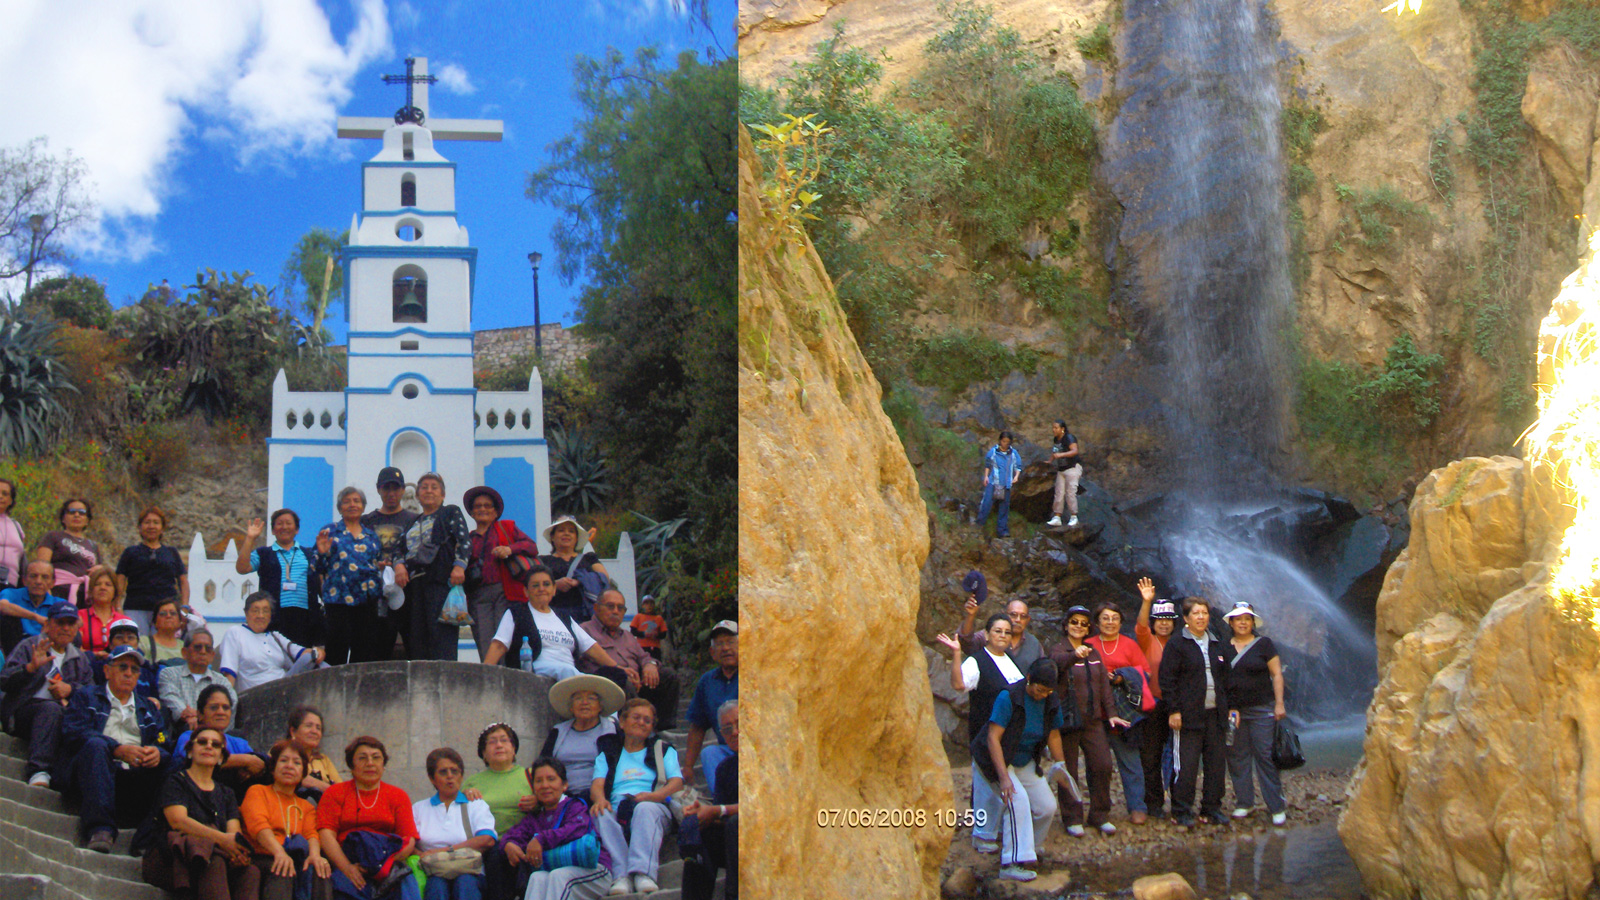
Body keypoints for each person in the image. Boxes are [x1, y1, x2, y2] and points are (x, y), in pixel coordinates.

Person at [59, 643, 169, 852]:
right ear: (107, 670)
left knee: (177, 762)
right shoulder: (87, 696)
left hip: (134, 778)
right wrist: (116, 749)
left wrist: (158, 753)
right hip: (93, 775)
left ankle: (146, 837)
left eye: (134, 669)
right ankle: (100, 829)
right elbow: (73, 732)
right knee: (95, 744)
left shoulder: (149, 708)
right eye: (123, 667)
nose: (129, 673)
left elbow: (163, 739)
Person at [141, 724, 258, 899]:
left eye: (216, 744)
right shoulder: (175, 782)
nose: (209, 746)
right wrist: (222, 840)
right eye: (202, 742)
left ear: (221, 756)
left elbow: (233, 833)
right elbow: (178, 821)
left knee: (250, 872)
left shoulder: (227, 793)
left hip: (212, 857)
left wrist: (236, 851)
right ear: (190, 751)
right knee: (213, 860)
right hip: (170, 859)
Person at [937, 613, 1020, 854]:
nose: (1002, 636)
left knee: (1002, 782)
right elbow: (959, 685)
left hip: (1009, 733)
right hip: (985, 731)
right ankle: (982, 837)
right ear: (987, 634)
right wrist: (955, 654)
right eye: (998, 631)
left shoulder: (1010, 659)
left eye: (1007, 632)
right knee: (985, 784)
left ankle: (1001, 829)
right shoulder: (977, 660)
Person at [977, 658, 1065, 883]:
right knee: (1017, 801)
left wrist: (1061, 766)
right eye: (1039, 689)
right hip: (997, 757)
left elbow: (1054, 734)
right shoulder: (1009, 697)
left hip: (1024, 759)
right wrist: (1004, 778)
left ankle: (1029, 849)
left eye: (1047, 691)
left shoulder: (1050, 700)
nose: (1043, 695)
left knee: (1047, 806)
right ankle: (1011, 861)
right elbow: (993, 738)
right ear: (1028, 679)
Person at [590, 699, 683, 896]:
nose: (642, 722)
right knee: (600, 813)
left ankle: (643, 873)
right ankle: (621, 875)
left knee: (644, 808)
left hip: (654, 806)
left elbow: (676, 781)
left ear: (651, 728)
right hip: (618, 807)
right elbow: (597, 784)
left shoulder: (663, 748)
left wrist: (655, 796)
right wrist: (600, 800)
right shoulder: (608, 752)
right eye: (636, 717)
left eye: (647, 721)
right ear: (622, 722)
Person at [1050, 605, 1128, 837]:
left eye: (1084, 624)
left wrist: (1112, 713)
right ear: (1066, 625)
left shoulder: (1093, 652)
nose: (1078, 627)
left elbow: (1104, 684)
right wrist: (1074, 655)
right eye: (1074, 622)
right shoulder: (1058, 649)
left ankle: (1099, 814)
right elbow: (1054, 665)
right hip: (1068, 720)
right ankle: (1072, 817)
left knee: (1102, 765)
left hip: (1093, 720)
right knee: (1070, 770)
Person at [1160, 596, 1237, 827]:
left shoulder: (1217, 643)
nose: (1201, 617)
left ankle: (1211, 808)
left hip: (1216, 714)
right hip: (1188, 715)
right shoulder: (1177, 645)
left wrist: (1231, 708)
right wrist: (1174, 710)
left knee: (1215, 764)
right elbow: (1167, 680)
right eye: (1196, 613)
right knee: (1186, 765)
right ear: (1186, 618)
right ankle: (1181, 810)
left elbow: (1226, 679)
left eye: (1204, 613)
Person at [0, 600, 92, 788]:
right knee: (50, 708)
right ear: (48, 624)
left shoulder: (80, 659)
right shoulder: (30, 646)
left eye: (70, 623)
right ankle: (38, 770)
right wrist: (29, 668)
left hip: (61, 718)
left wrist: (70, 689)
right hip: (22, 713)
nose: (65, 628)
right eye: (60, 623)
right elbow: (4, 680)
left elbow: (92, 693)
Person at [317, 736, 421, 900]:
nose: (370, 763)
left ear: (383, 765)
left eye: (376, 757)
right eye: (362, 758)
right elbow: (326, 835)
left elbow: (409, 839)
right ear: (351, 766)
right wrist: (347, 868)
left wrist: (383, 866)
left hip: (387, 861)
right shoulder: (334, 793)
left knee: (404, 882)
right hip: (347, 861)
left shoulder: (398, 796)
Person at [501, 757, 611, 900]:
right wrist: (509, 844)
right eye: (539, 781)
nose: (545, 785)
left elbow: (576, 829)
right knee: (537, 877)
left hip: (595, 871)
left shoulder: (575, 806)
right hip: (559, 872)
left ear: (564, 785)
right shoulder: (535, 817)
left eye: (551, 779)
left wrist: (541, 839)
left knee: (559, 876)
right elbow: (514, 835)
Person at [481, 565, 618, 679]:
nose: (541, 589)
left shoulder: (564, 617)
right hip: (535, 669)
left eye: (546, 584)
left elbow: (590, 646)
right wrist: (484, 674)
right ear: (526, 591)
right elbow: (499, 645)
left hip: (569, 671)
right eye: (535, 585)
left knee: (616, 677)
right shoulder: (516, 613)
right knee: (567, 671)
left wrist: (616, 668)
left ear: (553, 590)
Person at [392, 472, 471, 661]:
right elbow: (397, 549)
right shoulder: (412, 521)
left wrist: (459, 566)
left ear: (442, 495)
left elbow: (464, 540)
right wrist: (399, 566)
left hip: (441, 581)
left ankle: (445, 679)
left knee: (441, 635)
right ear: (417, 495)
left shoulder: (450, 512)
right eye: (424, 487)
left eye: (434, 487)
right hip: (415, 585)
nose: (429, 491)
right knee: (418, 635)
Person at [242, 739, 333, 900]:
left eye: (296, 763)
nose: (289, 766)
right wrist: (279, 852)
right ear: (273, 768)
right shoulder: (258, 792)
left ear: (303, 772)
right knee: (283, 867)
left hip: (292, 856)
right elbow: (259, 826)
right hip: (262, 855)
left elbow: (311, 834)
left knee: (320, 869)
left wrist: (314, 855)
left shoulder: (305, 806)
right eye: (283, 761)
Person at [1223, 601, 1288, 825]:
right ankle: (1244, 802)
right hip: (1234, 711)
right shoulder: (1223, 647)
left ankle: (1276, 806)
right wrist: (1229, 707)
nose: (1243, 622)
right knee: (1237, 757)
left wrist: (1279, 703)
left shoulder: (1264, 644)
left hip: (1262, 708)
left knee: (1265, 756)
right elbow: (1221, 681)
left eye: (1247, 619)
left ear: (1253, 622)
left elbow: (1276, 674)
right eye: (1238, 619)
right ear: (1231, 622)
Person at [1087, 602, 1153, 825]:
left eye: (1114, 618)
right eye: (1105, 618)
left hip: (1124, 712)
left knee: (1130, 761)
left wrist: (1122, 676)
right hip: (1095, 714)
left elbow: (1145, 672)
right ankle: (1099, 810)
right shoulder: (1088, 644)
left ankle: (1137, 806)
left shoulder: (1129, 645)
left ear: (1121, 622)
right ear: (1097, 622)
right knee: (1098, 764)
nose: (1110, 622)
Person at [579, 590, 678, 728]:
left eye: (620, 608)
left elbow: (644, 657)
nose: (615, 611)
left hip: (637, 683)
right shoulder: (584, 631)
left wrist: (650, 664)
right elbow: (584, 666)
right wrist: (622, 672)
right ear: (596, 608)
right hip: (607, 686)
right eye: (610, 606)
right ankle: (633, 727)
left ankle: (660, 728)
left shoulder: (627, 636)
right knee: (621, 678)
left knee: (668, 676)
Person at [461, 486, 537, 661]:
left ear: (495, 512)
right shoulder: (467, 538)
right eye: (478, 506)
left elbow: (531, 546)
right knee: (484, 639)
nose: (482, 509)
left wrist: (509, 549)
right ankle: (490, 676)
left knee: (505, 637)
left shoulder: (506, 528)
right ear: (472, 512)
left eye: (487, 506)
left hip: (504, 591)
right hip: (477, 595)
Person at [412, 747, 497, 900]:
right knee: (436, 886)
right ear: (432, 778)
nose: (450, 777)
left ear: (461, 776)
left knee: (465, 883)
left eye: (455, 771)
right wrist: (422, 856)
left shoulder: (475, 805)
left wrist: (444, 851)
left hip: (469, 872)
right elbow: (408, 842)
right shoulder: (419, 808)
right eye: (443, 772)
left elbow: (487, 839)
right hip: (433, 872)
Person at [316, 487, 388, 665]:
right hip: (338, 601)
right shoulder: (329, 531)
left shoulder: (371, 536)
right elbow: (316, 567)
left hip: (366, 601)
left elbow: (376, 563)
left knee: (364, 651)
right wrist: (323, 553)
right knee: (336, 650)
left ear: (363, 507)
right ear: (340, 508)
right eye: (347, 501)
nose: (352, 505)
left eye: (356, 501)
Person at [237, 508, 325, 649]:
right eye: (279, 523)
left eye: (288, 523)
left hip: (306, 618)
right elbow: (242, 568)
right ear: (272, 530)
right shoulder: (263, 553)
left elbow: (320, 582)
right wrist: (250, 539)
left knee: (304, 660)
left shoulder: (309, 554)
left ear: (296, 529)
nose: (284, 527)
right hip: (275, 617)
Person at [461, 723, 529, 900]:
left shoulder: (530, 775)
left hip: (525, 840)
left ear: (514, 749)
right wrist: (465, 797)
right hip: (490, 846)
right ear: (483, 753)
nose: (499, 745)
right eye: (492, 742)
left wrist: (537, 801)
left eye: (504, 740)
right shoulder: (472, 782)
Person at [680, 700, 737, 900]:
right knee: (701, 832)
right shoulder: (725, 768)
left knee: (736, 824)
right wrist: (701, 813)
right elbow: (720, 814)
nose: (735, 732)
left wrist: (718, 811)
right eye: (728, 729)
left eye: (740, 723)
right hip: (737, 841)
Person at [171, 684, 268, 799]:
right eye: (214, 707)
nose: (221, 712)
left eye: (226, 707)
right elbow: (195, 760)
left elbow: (257, 764)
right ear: (200, 714)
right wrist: (244, 760)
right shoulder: (189, 737)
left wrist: (251, 766)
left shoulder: (238, 743)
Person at [1135, 577, 1179, 819]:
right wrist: (1146, 602)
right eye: (1160, 620)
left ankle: (1179, 801)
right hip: (1152, 704)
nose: (1164, 624)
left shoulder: (1180, 644)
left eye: (1168, 621)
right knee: (1151, 755)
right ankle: (1154, 803)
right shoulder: (1147, 640)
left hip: (1175, 706)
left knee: (1177, 755)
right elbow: (1140, 626)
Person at [215, 592, 324, 692]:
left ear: (270, 615)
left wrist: (319, 652)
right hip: (256, 694)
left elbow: (302, 653)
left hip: (284, 688)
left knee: (313, 659)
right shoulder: (235, 633)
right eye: (255, 611)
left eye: (265, 611)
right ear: (246, 613)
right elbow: (229, 674)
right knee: (309, 658)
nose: (260, 616)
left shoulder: (275, 636)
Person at [363, 467, 418, 660]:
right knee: (377, 648)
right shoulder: (367, 521)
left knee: (415, 647)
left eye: (395, 488)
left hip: (408, 589)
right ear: (378, 489)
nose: (391, 493)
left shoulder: (414, 520)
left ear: (403, 490)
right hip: (376, 594)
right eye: (386, 488)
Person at [539, 675, 623, 798]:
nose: (584, 703)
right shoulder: (558, 731)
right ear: (572, 708)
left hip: (600, 796)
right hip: (561, 796)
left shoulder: (611, 731)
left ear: (600, 706)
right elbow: (543, 763)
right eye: (578, 698)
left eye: (591, 698)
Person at [683, 620, 737, 797]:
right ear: (712, 653)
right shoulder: (707, 682)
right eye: (720, 644)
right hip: (728, 749)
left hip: (759, 749)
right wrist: (688, 767)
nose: (726, 648)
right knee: (710, 753)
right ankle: (722, 803)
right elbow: (697, 726)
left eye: (730, 642)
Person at [116, 506, 188, 635]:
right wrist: (117, 606)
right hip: (135, 608)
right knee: (137, 644)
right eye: (147, 522)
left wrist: (184, 607)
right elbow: (120, 580)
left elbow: (183, 581)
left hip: (165, 610)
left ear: (162, 528)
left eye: (156, 523)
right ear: (139, 527)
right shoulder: (130, 552)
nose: (151, 526)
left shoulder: (171, 552)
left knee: (162, 645)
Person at [159, 629, 237, 733]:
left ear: (212, 655)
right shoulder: (169, 674)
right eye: (197, 647)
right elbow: (171, 698)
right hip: (181, 733)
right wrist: (187, 714)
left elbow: (232, 704)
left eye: (208, 648)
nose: (203, 651)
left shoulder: (222, 681)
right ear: (184, 653)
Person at [33, 497, 104, 604]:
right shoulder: (53, 537)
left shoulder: (93, 545)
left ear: (87, 521)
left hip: (84, 596)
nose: (76, 515)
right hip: (57, 592)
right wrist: (46, 592)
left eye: (82, 512)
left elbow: (101, 571)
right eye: (71, 512)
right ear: (63, 518)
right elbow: (41, 566)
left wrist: (100, 569)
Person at [540, 516, 608, 624]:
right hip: (553, 615)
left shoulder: (589, 558)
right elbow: (536, 584)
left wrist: (580, 581)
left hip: (585, 616)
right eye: (561, 530)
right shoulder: (543, 561)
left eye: (571, 531)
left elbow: (603, 577)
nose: (566, 534)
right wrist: (555, 584)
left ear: (576, 538)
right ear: (552, 537)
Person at [957, 596, 1043, 672]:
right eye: (1013, 615)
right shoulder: (990, 635)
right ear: (1005, 614)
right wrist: (970, 616)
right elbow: (966, 642)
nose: (1018, 620)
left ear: (1028, 619)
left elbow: (1042, 672)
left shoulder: (1034, 644)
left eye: (1023, 616)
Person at [0, 559, 57, 655]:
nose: (38, 581)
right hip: (14, 648)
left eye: (45, 577)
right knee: (7, 620)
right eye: (33, 576)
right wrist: (36, 617)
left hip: (46, 650)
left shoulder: (58, 603)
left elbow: (77, 622)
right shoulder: (12, 593)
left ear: (52, 583)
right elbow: (2, 606)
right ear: (24, 580)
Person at [287, 705, 343, 799]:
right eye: (308, 726)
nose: (314, 731)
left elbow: (342, 790)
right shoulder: (279, 753)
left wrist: (323, 787)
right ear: (293, 731)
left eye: (318, 728)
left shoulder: (323, 760)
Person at [977, 431, 1022, 538]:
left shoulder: (1013, 453)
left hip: (1006, 484)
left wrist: (1016, 476)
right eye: (1003, 441)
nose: (1005, 444)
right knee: (987, 503)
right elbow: (988, 464)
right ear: (1000, 441)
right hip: (993, 483)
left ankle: (1002, 530)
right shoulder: (993, 452)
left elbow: (1018, 466)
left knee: (1004, 507)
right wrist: (986, 477)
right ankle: (980, 524)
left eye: (1007, 442)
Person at [77, 565, 122, 658]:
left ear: (115, 591)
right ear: (91, 590)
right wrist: (94, 655)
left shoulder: (123, 620)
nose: (103, 587)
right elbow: (74, 648)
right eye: (97, 584)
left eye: (108, 584)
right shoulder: (79, 616)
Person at [1046, 420, 1082, 528]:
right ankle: (1057, 516)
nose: (1054, 430)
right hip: (1061, 469)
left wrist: (1061, 455)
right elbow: (1055, 452)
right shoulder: (1056, 439)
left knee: (1070, 492)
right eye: (1053, 427)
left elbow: (1074, 451)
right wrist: (1050, 461)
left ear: (1062, 429)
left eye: (1056, 428)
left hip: (1072, 468)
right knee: (1059, 492)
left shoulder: (1069, 438)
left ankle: (1074, 516)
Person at [141, 597, 189, 668]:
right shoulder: (143, 642)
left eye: (173, 613)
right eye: (163, 613)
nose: (168, 616)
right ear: (155, 622)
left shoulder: (184, 647)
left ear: (180, 622)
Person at [0, 476, 25, 589]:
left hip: (10, 586)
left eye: (5, 494)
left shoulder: (16, 526)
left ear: (10, 500)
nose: (0, 496)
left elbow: (21, 558)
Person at [628, 596, 667, 662]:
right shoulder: (638, 617)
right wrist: (644, 634)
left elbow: (664, 634)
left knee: (656, 665)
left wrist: (656, 635)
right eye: (646, 604)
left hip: (655, 648)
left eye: (651, 604)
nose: (649, 606)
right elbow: (633, 631)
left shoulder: (659, 618)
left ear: (654, 605)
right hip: (641, 648)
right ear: (643, 606)